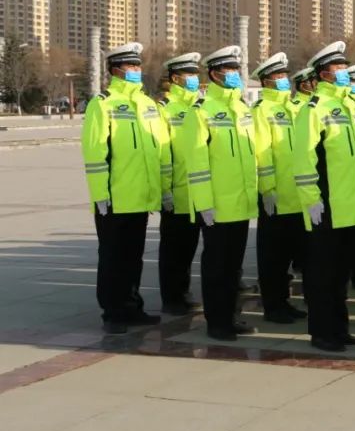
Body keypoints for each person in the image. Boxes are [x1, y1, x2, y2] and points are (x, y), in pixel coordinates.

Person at [293, 41, 355, 352]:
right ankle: (322, 332)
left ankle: (340, 328)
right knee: (322, 275)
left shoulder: (353, 109)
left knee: (341, 276)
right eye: (339, 67)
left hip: (353, 207)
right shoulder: (313, 110)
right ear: (324, 74)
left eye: (346, 66)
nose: (345, 71)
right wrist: (311, 199)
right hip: (327, 207)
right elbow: (303, 158)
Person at [81, 42, 168, 334]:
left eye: (138, 66)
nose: (136, 71)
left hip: (141, 197)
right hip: (115, 198)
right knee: (112, 257)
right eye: (131, 66)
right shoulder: (102, 104)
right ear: (116, 70)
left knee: (133, 256)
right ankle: (112, 312)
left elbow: (158, 150)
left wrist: (161, 189)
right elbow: (95, 154)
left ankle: (132, 306)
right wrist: (100, 195)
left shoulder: (147, 104)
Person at [179, 46, 261, 340]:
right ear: (214, 74)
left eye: (236, 71)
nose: (235, 76)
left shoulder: (242, 109)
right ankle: (216, 322)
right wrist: (203, 204)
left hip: (241, 201)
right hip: (216, 204)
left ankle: (231, 316)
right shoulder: (201, 113)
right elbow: (197, 163)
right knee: (216, 266)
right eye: (228, 71)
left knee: (234, 268)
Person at [250, 52, 308, 325]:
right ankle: (273, 305)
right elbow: (262, 154)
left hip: (298, 195)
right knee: (273, 258)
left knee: (294, 256)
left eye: (285, 74)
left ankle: (285, 302)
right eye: (279, 76)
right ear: (266, 81)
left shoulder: (296, 109)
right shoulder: (262, 111)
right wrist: (267, 189)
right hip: (276, 196)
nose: (285, 80)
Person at [156, 52, 204, 316]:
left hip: (197, 191)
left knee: (189, 248)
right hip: (176, 191)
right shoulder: (164, 109)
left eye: (196, 74)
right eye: (189, 74)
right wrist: (165, 190)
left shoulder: (198, 107)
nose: (195, 79)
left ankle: (183, 293)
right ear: (175, 78)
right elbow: (162, 152)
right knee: (173, 249)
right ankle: (172, 298)